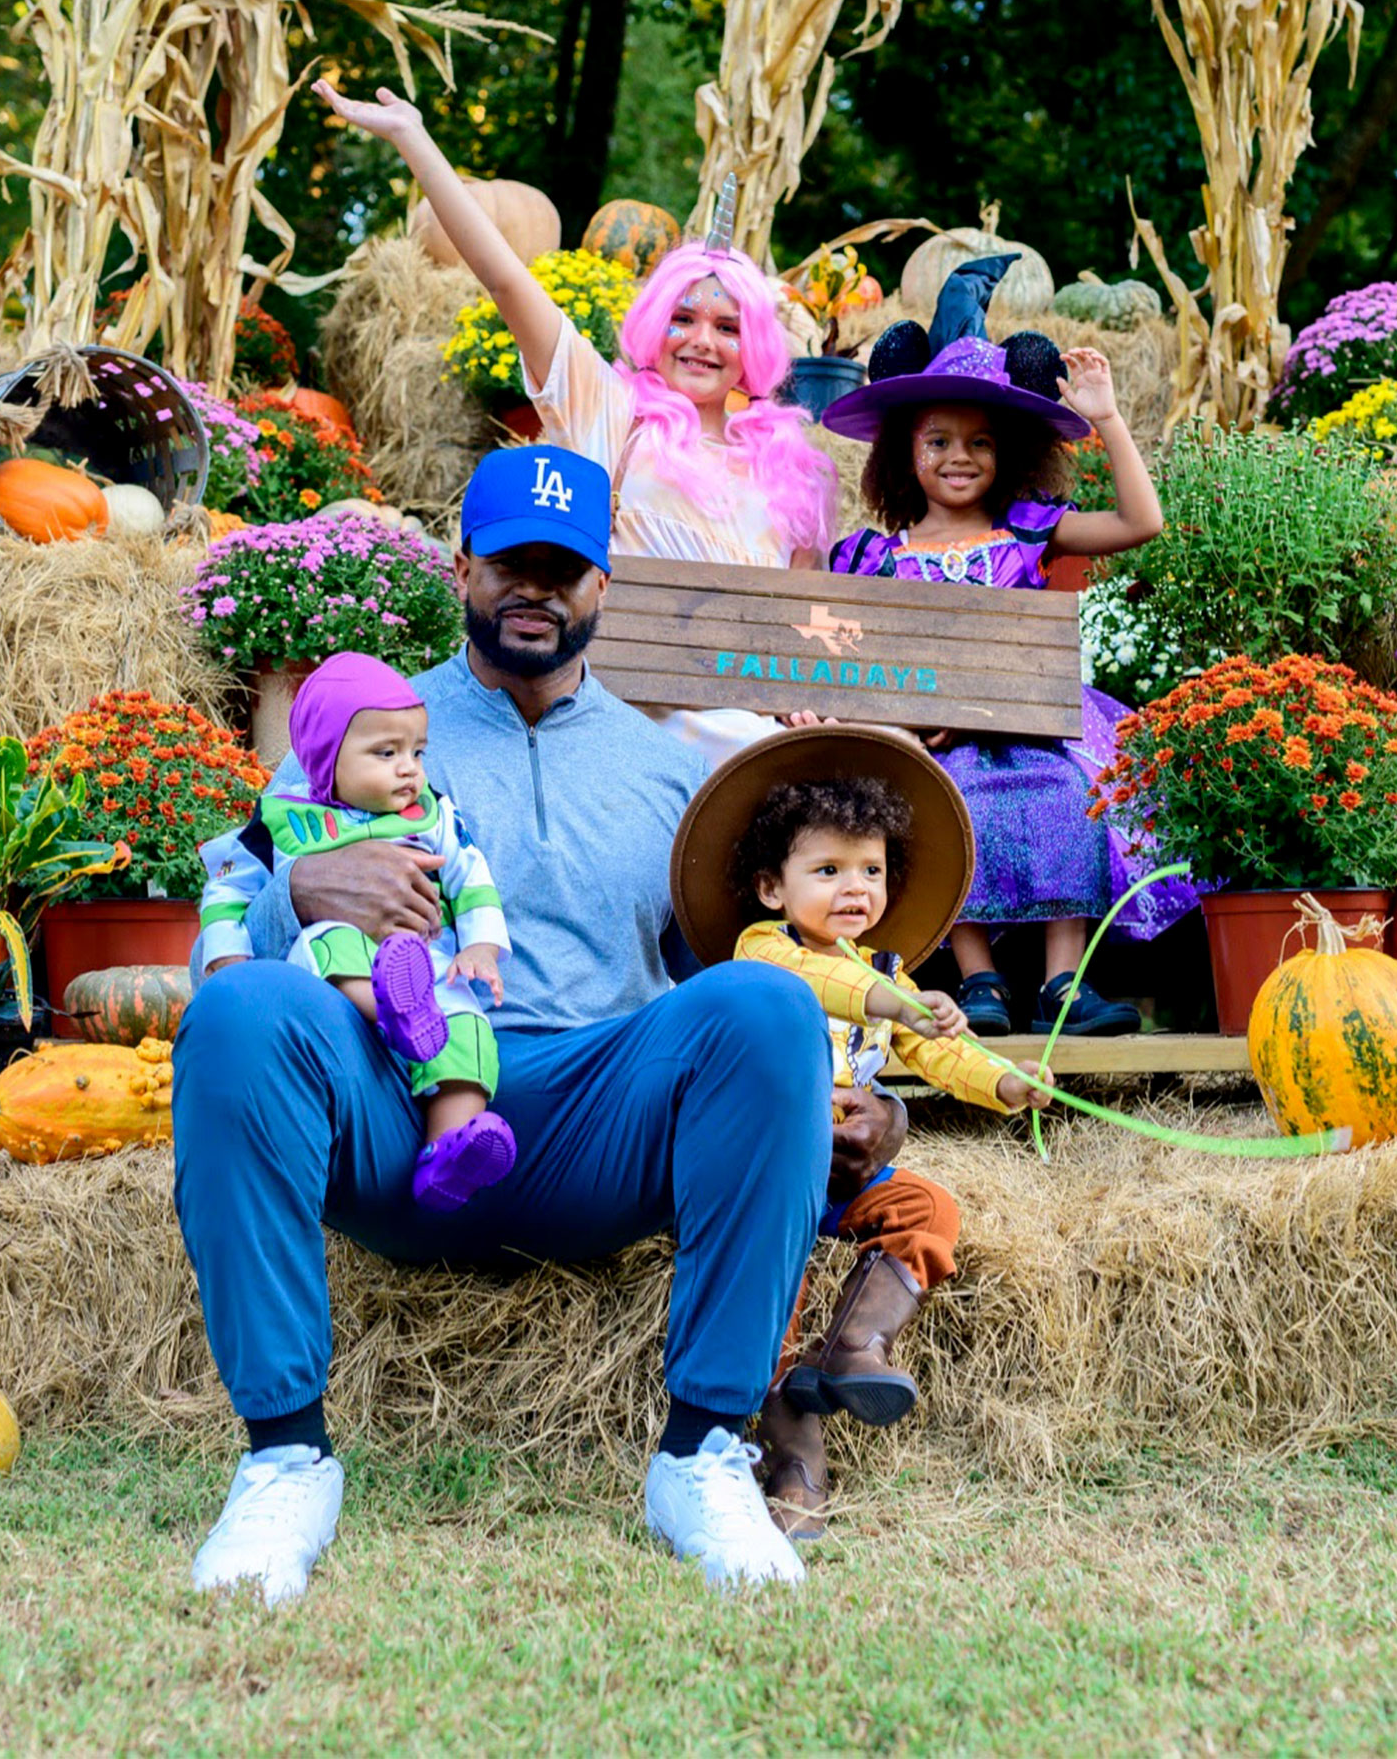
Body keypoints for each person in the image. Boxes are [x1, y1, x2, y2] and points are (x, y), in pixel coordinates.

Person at [174, 441, 898, 1605]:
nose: (536, 590)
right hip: (398, 1109)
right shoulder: (365, 729)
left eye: (563, 570)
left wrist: (864, 1095)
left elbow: (766, 985)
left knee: (762, 1005)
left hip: (593, 1131)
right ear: (461, 567)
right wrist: (295, 894)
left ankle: (703, 1452)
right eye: (511, 562)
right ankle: (284, 1458)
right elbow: (219, 940)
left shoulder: (674, 777)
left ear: (602, 587)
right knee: (249, 1008)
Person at [315, 77, 837, 765]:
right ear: (655, 324)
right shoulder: (612, 412)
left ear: (755, 345)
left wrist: (811, 694)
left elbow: (805, 628)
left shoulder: (788, 468)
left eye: (725, 325)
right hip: (633, 718)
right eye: (682, 318)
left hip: (751, 730)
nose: (701, 340)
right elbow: (506, 280)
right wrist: (415, 141)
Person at [666, 730, 1049, 1539]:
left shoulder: (890, 975)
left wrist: (1005, 1082)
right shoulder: (765, 950)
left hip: (849, 1168)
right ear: (773, 887)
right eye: (829, 871)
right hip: (775, 1171)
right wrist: (892, 999)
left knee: (929, 1212)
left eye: (871, 871)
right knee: (774, 1273)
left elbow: (939, 1053)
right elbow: (825, 982)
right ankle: (789, 1444)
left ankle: (853, 1349)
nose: (855, 888)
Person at [818, 257, 1171, 1038]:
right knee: (946, 808)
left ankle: (1063, 985)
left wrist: (1106, 418)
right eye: (937, 439)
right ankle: (980, 979)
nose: (958, 456)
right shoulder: (872, 557)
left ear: (1006, 451)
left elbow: (1140, 523)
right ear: (903, 453)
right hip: (936, 737)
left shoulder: (1027, 533)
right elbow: (847, 653)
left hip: (1032, 726)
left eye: (980, 441)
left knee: (1070, 801)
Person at [196, 652, 515, 1213]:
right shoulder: (284, 820)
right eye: (385, 753)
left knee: (466, 1020)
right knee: (329, 940)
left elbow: (472, 878)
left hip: (425, 964)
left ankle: (447, 1153)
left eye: (417, 752)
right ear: (325, 759)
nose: (409, 768)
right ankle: (391, 1010)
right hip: (339, 991)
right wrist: (227, 957)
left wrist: (481, 949)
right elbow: (226, 891)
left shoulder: (434, 816)